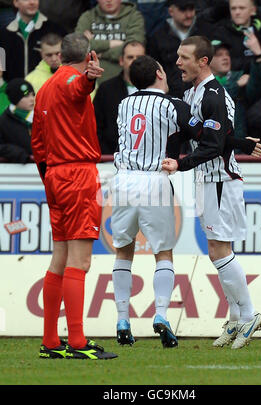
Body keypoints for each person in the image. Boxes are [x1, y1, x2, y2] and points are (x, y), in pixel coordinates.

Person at [110, 54, 261, 348]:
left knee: (123, 251)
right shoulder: (174, 104)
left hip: (121, 179)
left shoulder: (123, 104)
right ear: (158, 73)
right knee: (163, 253)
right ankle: (161, 315)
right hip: (154, 178)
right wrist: (239, 142)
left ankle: (121, 319)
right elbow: (206, 136)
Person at [162, 36, 261, 349]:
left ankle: (249, 314)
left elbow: (212, 145)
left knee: (220, 250)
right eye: (178, 56)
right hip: (208, 180)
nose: (178, 62)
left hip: (220, 179)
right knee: (216, 250)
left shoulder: (213, 94)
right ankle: (235, 318)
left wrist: (181, 164)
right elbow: (212, 134)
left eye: (184, 57)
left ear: (202, 61)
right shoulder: (194, 91)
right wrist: (240, 142)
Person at [31, 32, 118, 360]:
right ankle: (78, 341)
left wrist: (50, 179)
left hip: (54, 175)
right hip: (78, 174)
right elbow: (79, 89)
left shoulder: (44, 90)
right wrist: (89, 80)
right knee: (79, 262)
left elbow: (37, 143)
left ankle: (51, 340)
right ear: (90, 55)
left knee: (61, 259)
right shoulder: (72, 83)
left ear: (61, 55)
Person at [147, 0, 215, 98]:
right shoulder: (158, 37)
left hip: (204, 95)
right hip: (170, 97)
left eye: (191, 8)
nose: (188, 15)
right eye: (183, 9)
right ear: (171, 11)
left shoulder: (207, 31)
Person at [209, 37, 261, 142]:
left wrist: (259, 58)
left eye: (227, 54)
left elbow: (259, 87)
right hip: (210, 145)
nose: (225, 58)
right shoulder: (199, 81)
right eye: (219, 55)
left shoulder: (241, 76)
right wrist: (236, 85)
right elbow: (213, 100)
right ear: (206, 60)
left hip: (238, 144)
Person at [93, 40, 145, 154]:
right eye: (130, 57)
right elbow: (96, 127)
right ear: (121, 60)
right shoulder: (106, 89)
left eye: (139, 57)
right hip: (111, 159)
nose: (135, 61)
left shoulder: (157, 89)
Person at [75, 0, 145, 84]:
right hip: (91, 82)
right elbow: (78, 47)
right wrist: (111, 43)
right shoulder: (87, 17)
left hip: (126, 81)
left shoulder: (134, 16)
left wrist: (99, 52)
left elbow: (135, 49)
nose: (109, 0)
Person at [0, 0, 65, 82]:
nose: (32, 2)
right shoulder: (4, 34)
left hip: (47, 91)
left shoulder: (56, 30)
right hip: (13, 92)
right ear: (15, 2)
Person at [214, 0, 261, 72]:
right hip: (234, 80)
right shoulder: (220, 34)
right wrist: (258, 59)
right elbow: (220, 63)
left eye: (242, 8)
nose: (237, 12)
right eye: (233, 8)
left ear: (253, 10)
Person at [0, 78, 35, 162]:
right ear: (15, 98)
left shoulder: (41, 118)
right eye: (26, 96)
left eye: (33, 94)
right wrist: (20, 154)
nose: (32, 99)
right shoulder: (3, 122)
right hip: (17, 172)